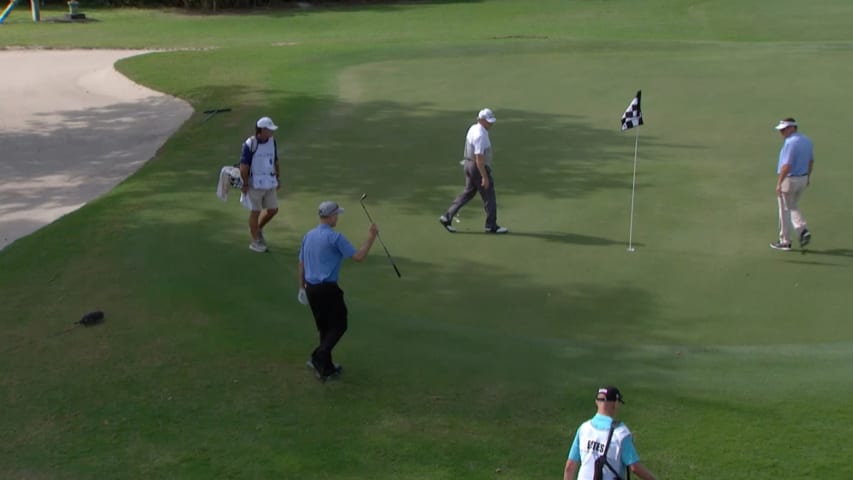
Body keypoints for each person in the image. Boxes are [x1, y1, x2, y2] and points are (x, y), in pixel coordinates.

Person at [297, 201, 378, 382]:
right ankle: (318, 356)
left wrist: (301, 287)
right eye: (337, 215)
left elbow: (301, 263)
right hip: (328, 289)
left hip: (311, 289)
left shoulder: (308, 236)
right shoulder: (335, 237)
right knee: (340, 324)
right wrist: (371, 237)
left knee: (325, 328)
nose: (338, 218)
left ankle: (326, 368)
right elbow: (358, 257)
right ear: (331, 216)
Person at [563, 386, 658, 480]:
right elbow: (635, 468)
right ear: (616, 403)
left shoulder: (583, 429)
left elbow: (569, 468)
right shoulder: (621, 433)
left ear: (596, 402)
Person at [439, 108, 509, 234]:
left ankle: (447, 217)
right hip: (477, 167)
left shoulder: (474, 128)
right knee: (489, 195)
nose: (491, 124)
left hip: (468, 164)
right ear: (481, 120)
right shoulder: (480, 135)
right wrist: (484, 177)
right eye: (489, 121)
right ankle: (491, 225)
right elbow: (479, 158)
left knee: (468, 193)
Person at [770, 118, 814, 251]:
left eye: (784, 129)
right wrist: (808, 177)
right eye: (781, 130)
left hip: (790, 180)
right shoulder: (807, 140)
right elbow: (811, 161)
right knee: (789, 206)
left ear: (793, 128)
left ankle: (799, 232)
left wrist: (779, 183)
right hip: (802, 178)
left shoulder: (790, 143)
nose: (781, 132)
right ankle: (786, 239)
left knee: (787, 208)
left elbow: (786, 165)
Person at [240, 116, 281, 253]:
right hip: (254, 184)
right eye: (269, 130)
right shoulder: (250, 143)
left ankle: (258, 229)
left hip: (269, 182)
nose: (271, 132)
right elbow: (244, 166)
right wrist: (245, 184)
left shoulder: (272, 141)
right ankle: (254, 241)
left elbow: (275, 160)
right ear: (261, 130)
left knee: (273, 210)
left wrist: (278, 177)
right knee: (255, 211)